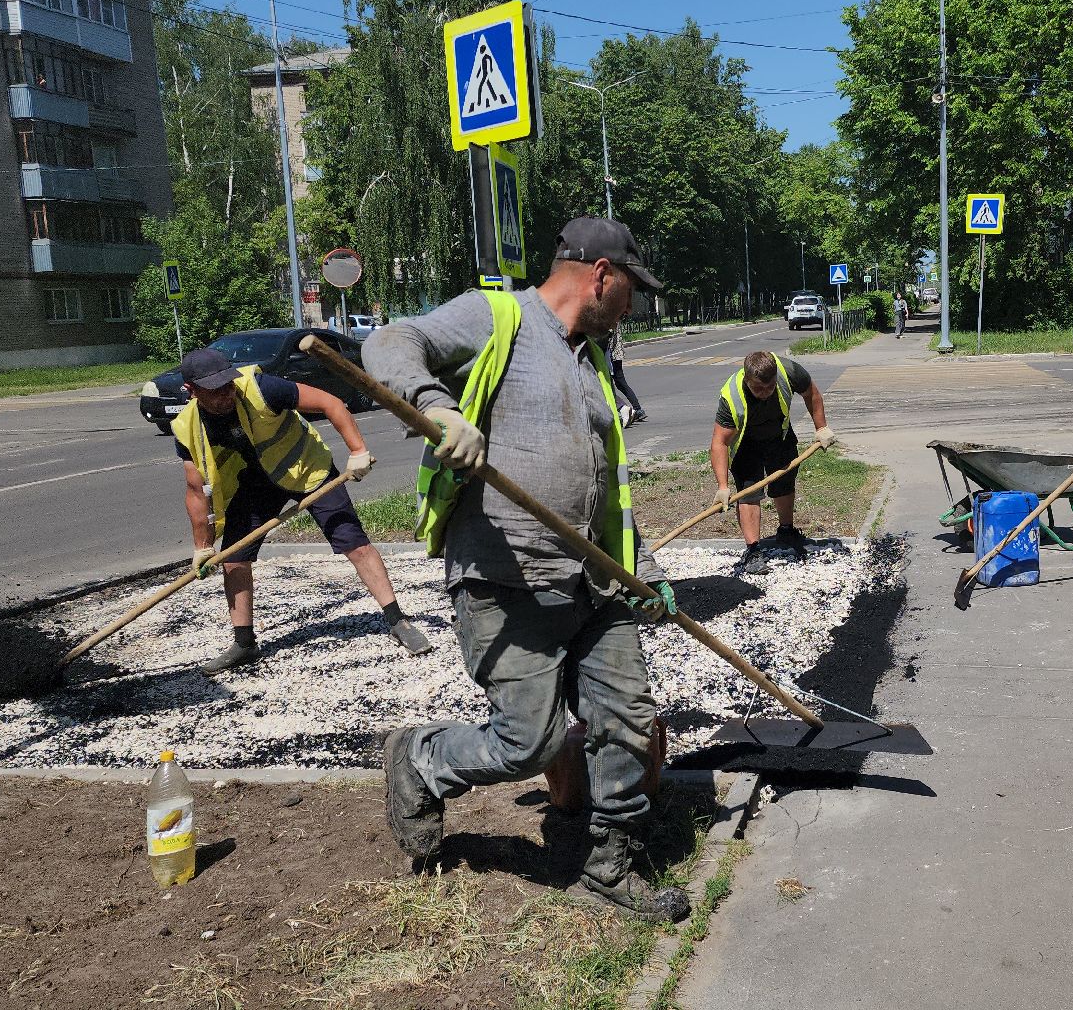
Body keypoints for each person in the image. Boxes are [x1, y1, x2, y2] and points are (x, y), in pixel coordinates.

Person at [363, 216, 689, 923]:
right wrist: (436, 409)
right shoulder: (498, 316)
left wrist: (649, 568)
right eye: (632, 288)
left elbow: (608, 488)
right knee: (528, 742)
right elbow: (388, 342)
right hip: (506, 581)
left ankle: (611, 865)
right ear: (599, 275)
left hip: (596, 586)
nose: (634, 305)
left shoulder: (595, 358)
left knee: (629, 719)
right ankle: (422, 760)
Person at [171, 347, 431, 673]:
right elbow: (196, 490)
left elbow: (330, 403)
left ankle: (398, 620)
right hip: (257, 482)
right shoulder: (186, 428)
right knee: (233, 559)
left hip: (308, 469)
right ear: (191, 391)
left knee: (354, 543)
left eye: (228, 384)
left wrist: (358, 450)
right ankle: (244, 643)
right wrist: (202, 546)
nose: (226, 394)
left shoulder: (260, 387)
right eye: (215, 390)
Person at [710, 350, 837, 574]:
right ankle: (753, 550)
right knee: (749, 493)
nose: (765, 393)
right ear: (747, 379)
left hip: (780, 435)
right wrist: (722, 486)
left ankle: (786, 531)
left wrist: (821, 428)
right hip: (746, 443)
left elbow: (812, 393)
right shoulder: (731, 397)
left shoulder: (789, 371)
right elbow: (719, 443)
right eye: (758, 388)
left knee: (784, 483)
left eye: (770, 387)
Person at [605, 321, 647, 426]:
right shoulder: (615, 315)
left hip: (611, 355)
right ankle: (637, 409)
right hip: (616, 354)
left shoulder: (610, 316)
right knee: (621, 384)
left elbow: (608, 335)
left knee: (609, 385)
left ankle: (631, 410)